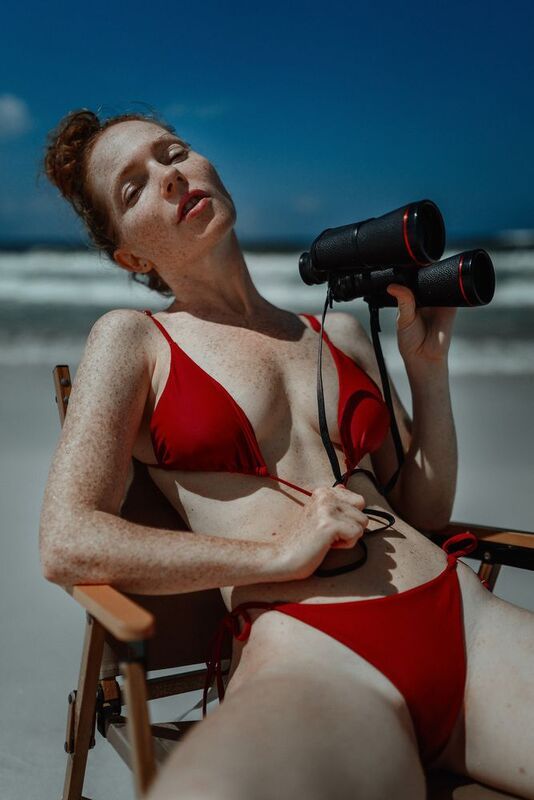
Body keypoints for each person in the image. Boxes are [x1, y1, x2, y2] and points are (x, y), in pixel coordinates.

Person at [39, 109, 534, 800]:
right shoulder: (134, 341)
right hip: (316, 654)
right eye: (134, 188)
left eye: (174, 152)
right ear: (131, 257)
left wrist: (427, 373)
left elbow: (421, 511)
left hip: (466, 627)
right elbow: (67, 541)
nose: (171, 176)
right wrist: (272, 558)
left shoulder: (337, 334)